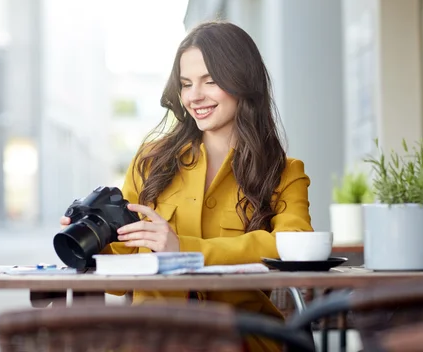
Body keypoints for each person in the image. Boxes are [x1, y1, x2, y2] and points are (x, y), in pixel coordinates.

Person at [60, 21, 313, 352]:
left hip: (241, 339)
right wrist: (90, 240)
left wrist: (185, 251)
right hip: (152, 339)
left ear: (243, 82)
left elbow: (294, 246)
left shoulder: (283, 173)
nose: (195, 96)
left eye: (210, 81)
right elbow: (121, 270)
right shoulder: (152, 161)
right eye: (186, 84)